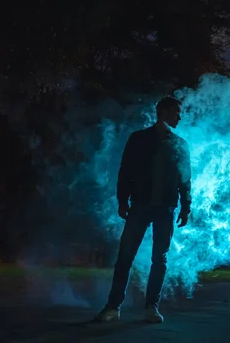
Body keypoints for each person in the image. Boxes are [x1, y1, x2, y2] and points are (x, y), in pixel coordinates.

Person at [94, 96, 192, 324]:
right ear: (165, 112)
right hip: (140, 205)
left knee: (160, 258)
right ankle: (113, 306)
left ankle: (151, 307)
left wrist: (186, 207)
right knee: (125, 256)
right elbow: (125, 170)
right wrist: (122, 200)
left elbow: (185, 179)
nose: (180, 117)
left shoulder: (180, 144)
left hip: (166, 208)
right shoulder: (138, 139)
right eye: (177, 112)